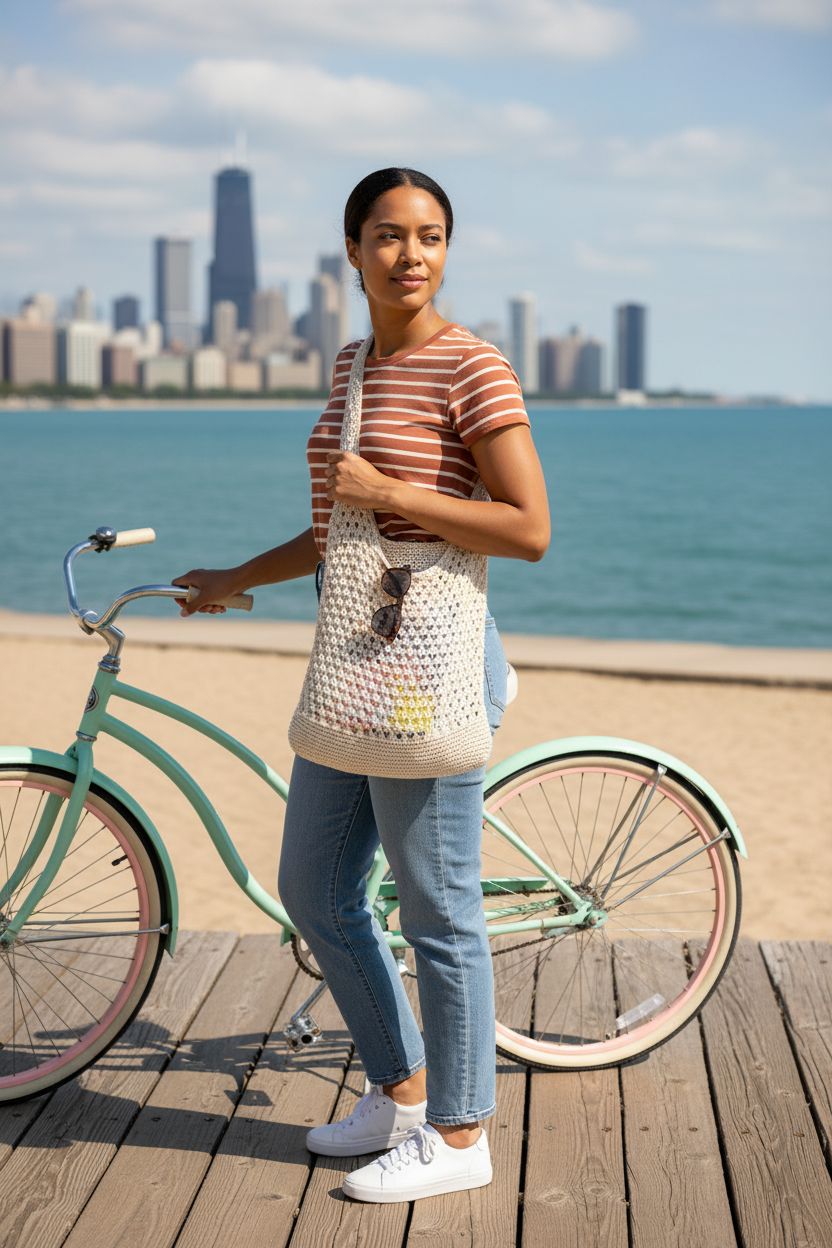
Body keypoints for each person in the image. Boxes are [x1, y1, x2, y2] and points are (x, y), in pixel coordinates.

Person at [173, 166, 550, 1203]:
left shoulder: (475, 367)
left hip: (431, 667)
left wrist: (396, 490)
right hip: (355, 658)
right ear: (351, 251)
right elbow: (345, 527)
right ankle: (402, 1094)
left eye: (430, 235)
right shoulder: (351, 365)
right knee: (316, 888)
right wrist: (236, 577)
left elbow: (529, 530)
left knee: (439, 910)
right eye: (388, 235)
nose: (412, 254)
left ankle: (463, 1139)